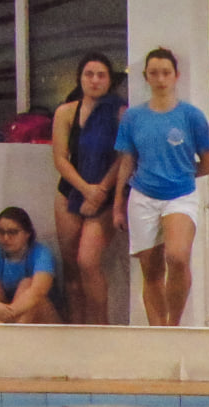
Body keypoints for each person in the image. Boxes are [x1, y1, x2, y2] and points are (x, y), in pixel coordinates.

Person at [112, 48, 209, 328]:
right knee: (152, 271)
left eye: (166, 73)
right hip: (142, 196)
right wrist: (118, 205)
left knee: (177, 256)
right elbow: (126, 161)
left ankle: (174, 326)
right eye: (154, 73)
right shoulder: (133, 118)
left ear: (176, 76)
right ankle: (158, 332)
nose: (160, 79)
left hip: (180, 196)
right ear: (146, 76)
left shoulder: (191, 116)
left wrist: (181, 174)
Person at [51, 52, 124, 325]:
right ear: (80, 79)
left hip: (106, 194)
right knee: (71, 268)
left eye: (101, 75)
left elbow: (124, 157)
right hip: (70, 190)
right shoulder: (66, 112)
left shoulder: (120, 112)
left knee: (87, 262)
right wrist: (85, 188)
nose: (94, 80)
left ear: (109, 80)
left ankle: (99, 328)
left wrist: (100, 191)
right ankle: (76, 330)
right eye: (88, 75)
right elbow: (60, 158)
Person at [0, 207, 59, 324]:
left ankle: (14, 336)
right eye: (1, 232)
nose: (6, 238)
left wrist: (10, 312)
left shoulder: (41, 253)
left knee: (27, 285)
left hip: (43, 322)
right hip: (2, 318)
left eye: (12, 232)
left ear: (27, 233)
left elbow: (38, 291)